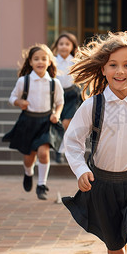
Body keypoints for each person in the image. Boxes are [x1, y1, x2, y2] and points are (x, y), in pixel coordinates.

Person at [62, 31, 127, 254]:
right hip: (102, 186)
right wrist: (81, 170)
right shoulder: (93, 105)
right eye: (113, 65)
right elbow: (72, 141)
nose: (120, 71)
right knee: (114, 249)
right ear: (103, 69)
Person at [2, 44, 64, 200]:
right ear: (30, 62)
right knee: (29, 158)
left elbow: (60, 102)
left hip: (46, 122)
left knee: (43, 153)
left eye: (44, 58)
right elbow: (12, 98)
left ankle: (42, 184)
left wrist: (56, 114)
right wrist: (19, 103)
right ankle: (28, 173)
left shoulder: (54, 83)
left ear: (50, 61)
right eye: (36, 59)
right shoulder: (24, 81)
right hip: (28, 122)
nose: (40, 62)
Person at [51, 32, 82, 163]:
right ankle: (57, 147)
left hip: (72, 95)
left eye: (67, 44)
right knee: (58, 123)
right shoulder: (52, 60)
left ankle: (60, 151)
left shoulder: (76, 61)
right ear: (57, 46)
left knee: (66, 124)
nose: (64, 47)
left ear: (72, 46)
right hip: (56, 96)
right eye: (61, 44)